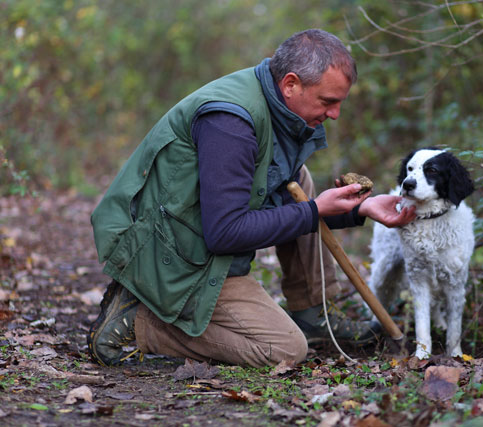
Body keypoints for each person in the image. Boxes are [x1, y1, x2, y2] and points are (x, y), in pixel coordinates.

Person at [87, 29, 416, 368]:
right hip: (172, 256)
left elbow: (280, 201)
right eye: (328, 101)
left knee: (296, 179)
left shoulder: (278, 109)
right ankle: (140, 321)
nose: (334, 115)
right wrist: (315, 210)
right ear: (291, 84)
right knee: (286, 350)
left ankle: (313, 314)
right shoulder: (231, 124)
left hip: (196, 239)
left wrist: (359, 208)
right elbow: (226, 232)